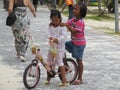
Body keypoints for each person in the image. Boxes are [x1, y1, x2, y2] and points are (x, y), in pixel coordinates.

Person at [61, 2, 87, 85]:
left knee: (79, 60)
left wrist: (67, 26)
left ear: (81, 12)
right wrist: (56, 24)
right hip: (72, 42)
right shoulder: (73, 20)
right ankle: (66, 66)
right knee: (61, 47)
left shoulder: (80, 22)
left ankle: (80, 78)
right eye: (74, 8)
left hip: (79, 45)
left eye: (76, 9)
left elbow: (74, 32)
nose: (73, 10)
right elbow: (65, 24)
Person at [45, 9, 69, 86]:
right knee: (48, 63)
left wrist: (57, 39)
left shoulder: (62, 27)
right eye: (52, 19)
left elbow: (64, 36)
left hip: (59, 48)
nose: (54, 21)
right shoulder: (50, 26)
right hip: (51, 48)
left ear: (60, 19)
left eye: (56, 19)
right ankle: (48, 78)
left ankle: (64, 80)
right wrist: (50, 37)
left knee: (60, 63)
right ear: (50, 19)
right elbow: (48, 33)